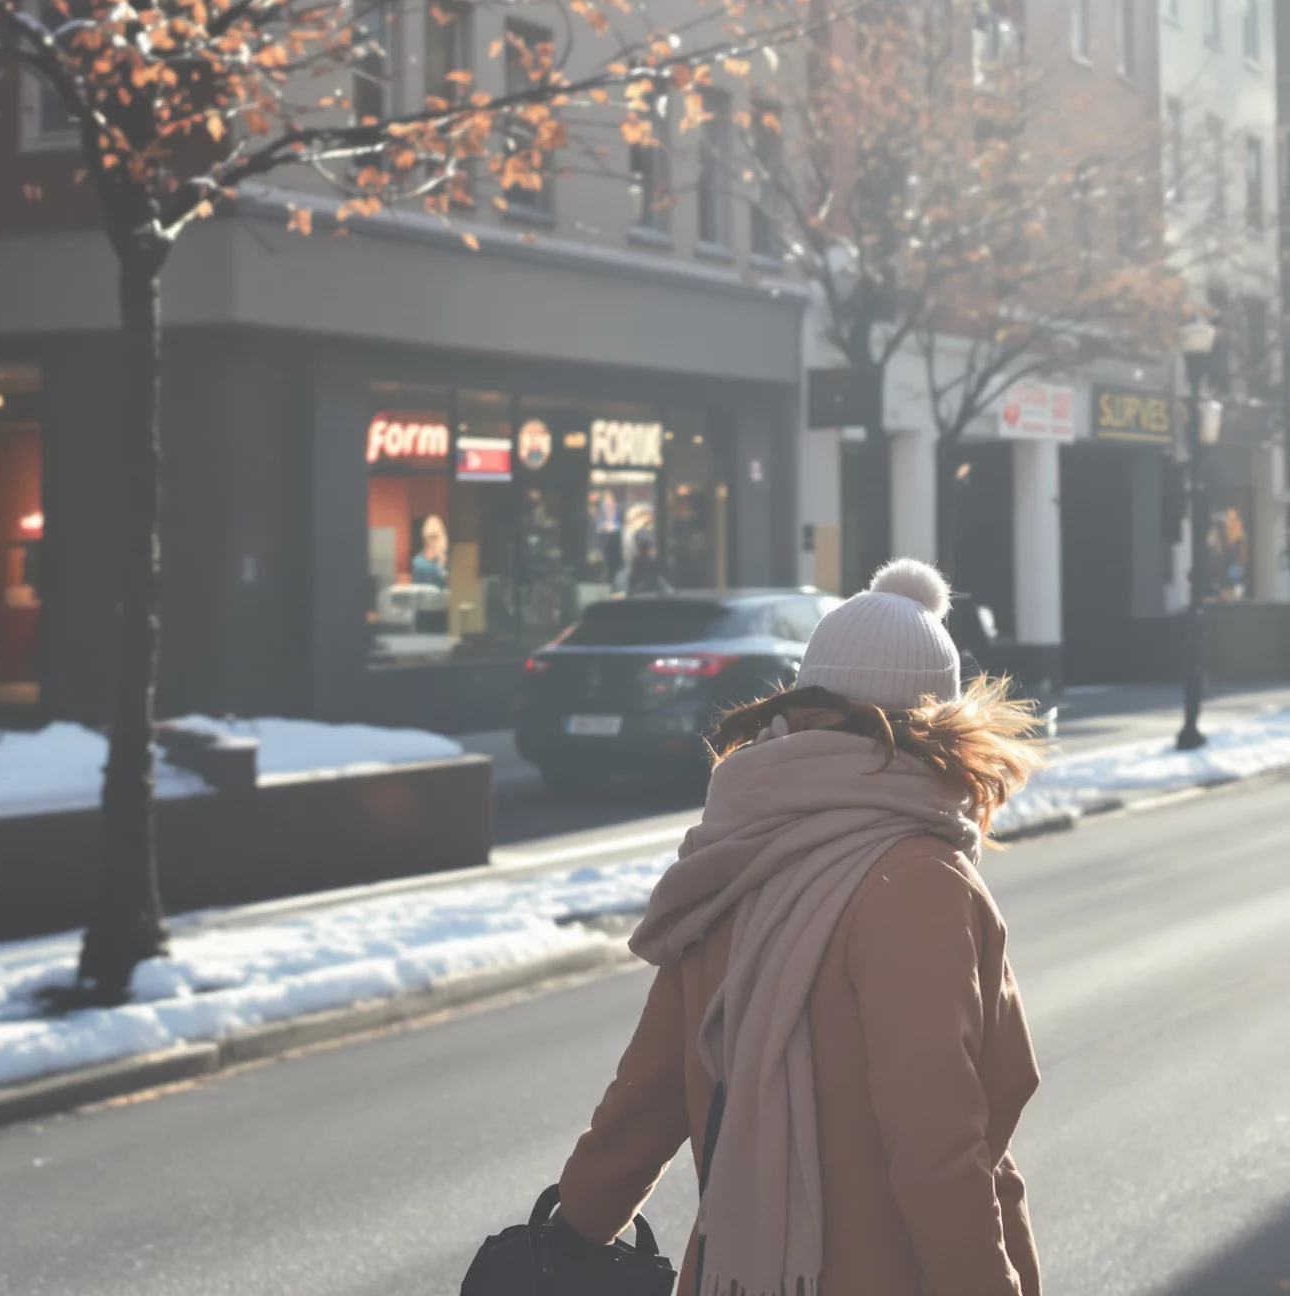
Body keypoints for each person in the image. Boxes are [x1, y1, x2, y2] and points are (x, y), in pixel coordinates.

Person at [556, 558, 1044, 1296]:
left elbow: (648, 1092)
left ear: (809, 696)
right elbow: (937, 1146)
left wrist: (572, 1230)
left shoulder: (734, 852)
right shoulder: (920, 882)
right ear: (941, 722)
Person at [410, 514, 449, 589]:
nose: (431, 542)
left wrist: (441, 560)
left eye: (435, 537)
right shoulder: (418, 562)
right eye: (430, 538)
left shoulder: (447, 559)